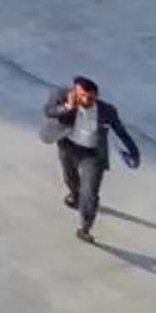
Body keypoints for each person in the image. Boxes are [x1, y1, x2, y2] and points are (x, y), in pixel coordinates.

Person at [45, 76, 141, 242]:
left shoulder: (107, 111)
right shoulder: (62, 96)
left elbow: (120, 131)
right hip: (68, 146)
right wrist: (68, 107)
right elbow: (49, 111)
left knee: (90, 192)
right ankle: (74, 195)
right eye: (80, 94)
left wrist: (134, 152)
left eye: (88, 97)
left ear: (96, 96)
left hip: (93, 153)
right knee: (70, 178)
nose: (83, 99)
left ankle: (85, 227)